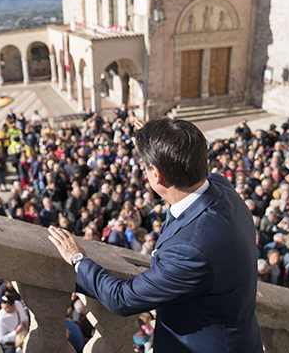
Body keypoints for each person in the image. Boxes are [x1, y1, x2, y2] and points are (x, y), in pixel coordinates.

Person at [48, 117, 263, 352]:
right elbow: (186, 157)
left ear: (157, 176)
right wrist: (156, 143)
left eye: (146, 165)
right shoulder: (220, 186)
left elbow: (122, 298)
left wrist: (78, 259)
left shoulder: (191, 251)